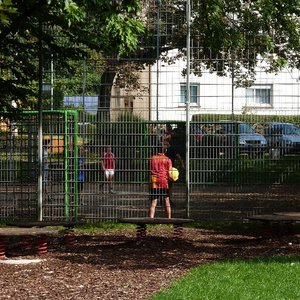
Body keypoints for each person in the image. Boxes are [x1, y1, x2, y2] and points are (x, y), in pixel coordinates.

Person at [149, 146, 173, 219]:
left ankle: (151, 219)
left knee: (153, 202)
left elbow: (149, 171)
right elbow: (169, 173)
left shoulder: (151, 159)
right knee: (167, 201)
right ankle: (169, 219)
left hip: (154, 181)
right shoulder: (168, 159)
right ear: (165, 150)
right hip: (164, 181)